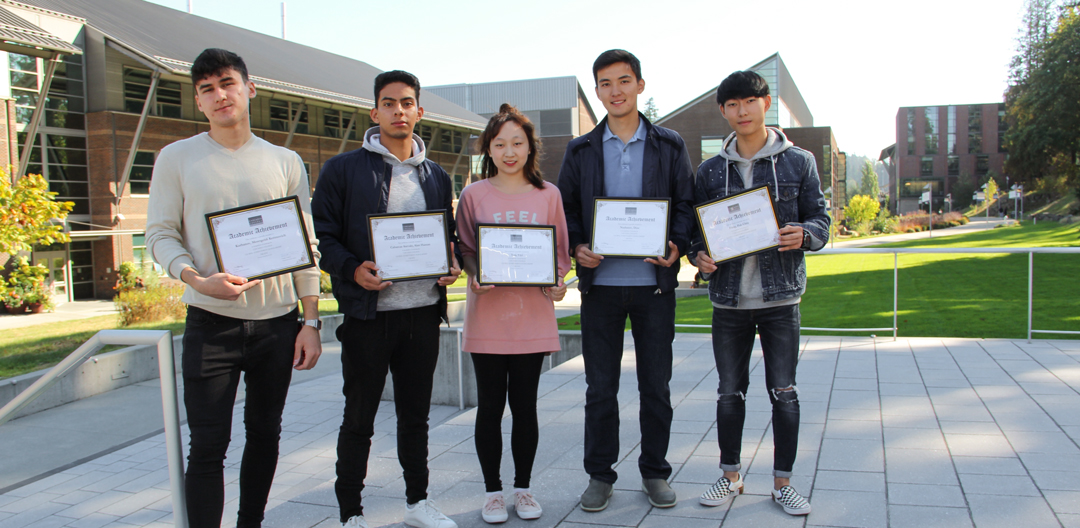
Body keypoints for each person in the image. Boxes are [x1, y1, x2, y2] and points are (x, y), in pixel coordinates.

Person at [145, 48, 323, 528]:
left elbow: (305, 245)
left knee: (265, 435)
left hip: (279, 327)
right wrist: (197, 278)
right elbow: (159, 234)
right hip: (211, 324)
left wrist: (311, 321)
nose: (219, 95)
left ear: (249, 88)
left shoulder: (285, 161)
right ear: (198, 102)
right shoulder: (176, 158)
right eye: (206, 89)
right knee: (207, 446)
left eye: (227, 82)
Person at [311, 70, 461, 528]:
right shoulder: (342, 170)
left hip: (421, 315)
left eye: (408, 102)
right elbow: (325, 238)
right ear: (375, 112)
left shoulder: (436, 175)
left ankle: (418, 503)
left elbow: (446, 237)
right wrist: (352, 268)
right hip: (367, 317)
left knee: (415, 417)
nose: (400, 110)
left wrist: (450, 265)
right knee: (359, 419)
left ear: (420, 112)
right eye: (390, 103)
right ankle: (350, 513)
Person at [556, 49, 694, 511]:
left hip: (654, 286)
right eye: (605, 83)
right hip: (601, 288)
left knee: (656, 386)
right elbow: (568, 212)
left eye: (623, 81)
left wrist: (676, 245)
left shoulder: (670, 145)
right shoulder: (580, 150)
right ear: (596, 91)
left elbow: (684, 203)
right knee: (601, 389)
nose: (615, 91)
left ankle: (655, 472)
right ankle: (600, 474)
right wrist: (577, 246)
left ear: (639, 85)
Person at [690, 70, 830, 516]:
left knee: (783, 392)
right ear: (723, 111)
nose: (741, 111)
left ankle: (783, 483)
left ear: (766, 102)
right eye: (732, 105)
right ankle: (730, 476)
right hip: (729, 301)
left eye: (749, 101)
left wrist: (803, 235)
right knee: (730, 392)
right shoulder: (710, 171)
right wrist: (699, 257)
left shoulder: (798, 162)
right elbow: (696, 233)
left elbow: (822, 222)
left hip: (780, 299)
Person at [455, 104, 571, 524]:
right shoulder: (473, 194)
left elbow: (560, 256)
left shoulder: (549, 195)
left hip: (531, 318)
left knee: (525, 407)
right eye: (500, 143)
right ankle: (491, 492)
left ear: (529, 148)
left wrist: (558, 282)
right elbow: (466, 249)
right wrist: (474, 274)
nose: (509, 151)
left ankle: (523, 489)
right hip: (488, 317)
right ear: (489, 147)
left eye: (517, 143)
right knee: (489, 407)